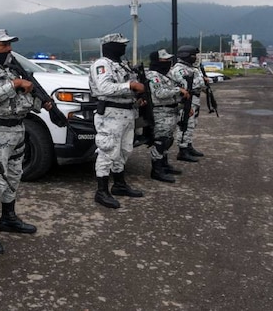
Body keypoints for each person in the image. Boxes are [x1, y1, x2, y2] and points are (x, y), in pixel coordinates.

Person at [0, 29, 52, 255]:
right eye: (3, 45)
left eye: (9, 45)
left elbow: (23, 101)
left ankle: (9, 217)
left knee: (14, 176)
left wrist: (38, 100)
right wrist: (14, 84)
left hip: (18, 129)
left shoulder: (12, 69)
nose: (9, 49)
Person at [89, 33, 146, 209]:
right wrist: (129, 86)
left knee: (124, 150)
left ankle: (119, 184)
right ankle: (101, 191)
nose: (123, 48)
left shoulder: (121, 65)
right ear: (109, 46)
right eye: (119, 45)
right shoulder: (102, 64)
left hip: (127, 113)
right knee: (107, 151)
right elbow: (103, 87)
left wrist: (136, 97)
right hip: (110, 114)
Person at [147, 49, 190, 182]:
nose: (168, 62)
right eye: (164, 60)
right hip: (160, 112)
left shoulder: (165, 75)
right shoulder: (153, 75)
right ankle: (156, 169)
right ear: (157, 61)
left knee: (168, 140)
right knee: (160, 141)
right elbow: (159, 93)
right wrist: (179, 90)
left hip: (171, 111)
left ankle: (164, 165)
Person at [169, 45, 207, 162]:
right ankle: (182, 150)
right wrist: (202, 80)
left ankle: (188, 145)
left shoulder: (192, 68)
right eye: (193, 55)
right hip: (186, 100)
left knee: (192, 124)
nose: (195, 58)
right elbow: (189, 84)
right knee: (185, 124)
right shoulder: (179, 69)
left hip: (194, 99)